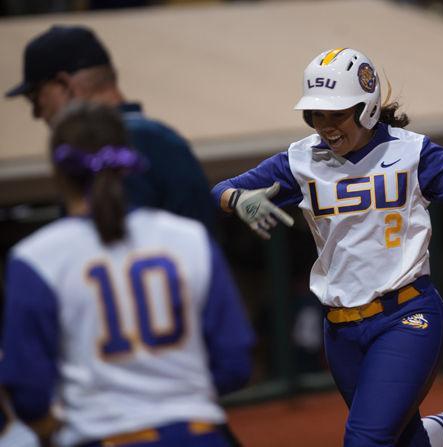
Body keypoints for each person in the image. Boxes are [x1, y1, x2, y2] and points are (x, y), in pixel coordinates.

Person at [212, 48, 443, 447]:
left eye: (336, 112)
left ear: (366, 108)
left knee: (366, 440)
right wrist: (235, 200)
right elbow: (221, 190)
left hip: (407, 316)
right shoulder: (301, 159)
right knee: (403, 441)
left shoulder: (413, 152)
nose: (324, 125)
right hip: (342, 331)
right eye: (315, 114)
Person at [0, 102, 254, 447]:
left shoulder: (35, 257)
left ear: (59, 174)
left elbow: (27, 389)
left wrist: (50, 430)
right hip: (197, 435)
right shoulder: (189, 237)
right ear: (129, 164)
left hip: (103, 436)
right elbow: (235, 362)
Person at [4, 25, 220, 238]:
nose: (37, 114)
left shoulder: (99, 145)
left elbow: (115, 257)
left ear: (64, 85)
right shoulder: (164, 138)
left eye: (35, 99)